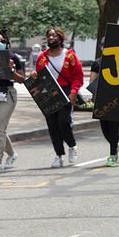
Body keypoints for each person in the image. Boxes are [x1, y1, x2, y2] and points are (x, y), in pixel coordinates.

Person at [35, 27, 84, 168]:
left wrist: (74, 92)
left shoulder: (69, 55)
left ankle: (72, 145)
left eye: (54, 35)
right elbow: (39, 76)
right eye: (49, 36)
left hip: (65, 91)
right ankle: (58, 155)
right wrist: (34, 76)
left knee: (64, 121)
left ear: (60, 38)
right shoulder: (42, 57)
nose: (51, 38)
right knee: (52, 125)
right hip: (48, 93)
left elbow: (78, 76)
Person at [0, 31, 26, 173]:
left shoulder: (13, 57)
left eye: (1, 40)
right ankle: (12, 154)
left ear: (5, 42)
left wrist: (10, 70)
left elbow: (22, 79)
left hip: (8, 94)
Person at [89, 48, 119, 167]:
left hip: (116, 100)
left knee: (113, 128)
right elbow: (92, 80)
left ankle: (113, 155)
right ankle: (116, 145)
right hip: (101, 100)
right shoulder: (97, 63)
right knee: (105, 129)